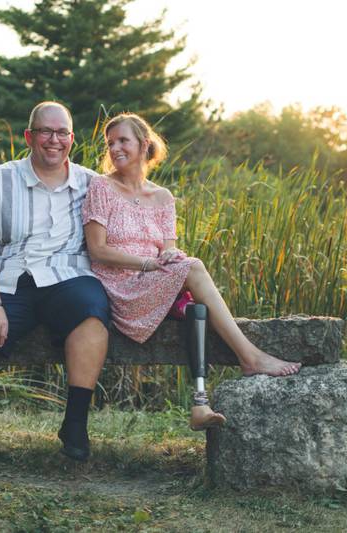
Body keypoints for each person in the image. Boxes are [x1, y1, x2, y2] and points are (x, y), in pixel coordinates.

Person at [82, 113, 301, 431]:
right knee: (194, 267)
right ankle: (250, 357)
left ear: (143, 145)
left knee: (196, 306)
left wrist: (168, 256)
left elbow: (168, 249)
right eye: (110, 143)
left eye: (123, 141)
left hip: (154, 281)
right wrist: (147, 264)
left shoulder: (162, 197)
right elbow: (97, 250)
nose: (115, 148)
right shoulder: (102, 187)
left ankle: (200, 404)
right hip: (119, 288)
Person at [0, 102, 110, 476]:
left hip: (67, 278)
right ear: (29, 136)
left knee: (93, 311)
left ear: (72, 139)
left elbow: (134, 206)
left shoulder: (92, 184)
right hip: (9, 279)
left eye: (62, 133)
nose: (54, 140)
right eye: (45, 131)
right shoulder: (1, 178)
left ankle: (75, 422)